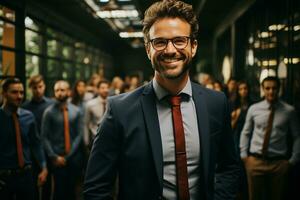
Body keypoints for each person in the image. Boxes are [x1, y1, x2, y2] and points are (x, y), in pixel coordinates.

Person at [84, 0, 239, 199]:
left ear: (193, 46)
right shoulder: (120, 110)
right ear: (148, 49)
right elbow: (96, 188)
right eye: (160, 42)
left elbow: (228, 167)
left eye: (179, 40)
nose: (170, 50)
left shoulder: (216, 103)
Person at [240, 76, 300, 200]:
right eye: (267, 88)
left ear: (279, 89)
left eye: (274, 88)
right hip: (255, 162)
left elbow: (297, 136)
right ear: (263, 89)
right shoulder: (254, 109)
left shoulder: (289, 111)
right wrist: (244, 157)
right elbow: (246, 132)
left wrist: (292, 161)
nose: (271, 91)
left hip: (278, 164)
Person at [0, 78, 48, 200]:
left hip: (27, 175)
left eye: (21, 92)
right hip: (4, 177)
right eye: (14, 92)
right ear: (4, 93)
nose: (19, 96)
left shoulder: (28, 116)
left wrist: (43, 167)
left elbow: (36, 143)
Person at [41, 80, 83, 200]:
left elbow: (79, 135)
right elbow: (44, 137)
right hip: (57, 159)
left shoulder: (76, 111)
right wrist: (54, 156)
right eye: (57, 90)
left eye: (62, 90)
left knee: (73, 191)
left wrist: (69, 156)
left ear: (69, 92)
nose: (59, 93)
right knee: (59, 192)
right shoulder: (48, 112)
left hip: (73, 158)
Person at [22, 75, 54, 200]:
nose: (38, 90)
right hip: (31, 150)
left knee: (48, 181)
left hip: (48, 147)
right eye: (35, 87)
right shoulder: (24, 107)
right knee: (32, 181)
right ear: (30, 89)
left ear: (44, 87)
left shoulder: (51, 105)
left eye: (40, 87)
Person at [83, 80, 110, 150]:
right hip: (95, 138)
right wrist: (86, 141)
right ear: (98, 89)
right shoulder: (90, 104)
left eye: (107, 88)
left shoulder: (112, 104)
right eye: (103, 88)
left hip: (109, 138)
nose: (105, 90)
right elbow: (86, 123)